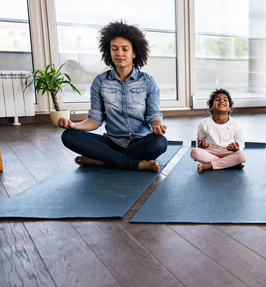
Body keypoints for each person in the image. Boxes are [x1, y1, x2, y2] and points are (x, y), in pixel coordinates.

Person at [58, 20, 168, 172]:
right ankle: (132, 163)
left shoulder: (148, 81)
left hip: (141, 141)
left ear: (134, 52)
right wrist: (74, 125)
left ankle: (102, 161)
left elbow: (153, 114)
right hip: (112, 141)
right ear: (109, 51)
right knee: (69, 136)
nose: (119, 53)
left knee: (160, 143)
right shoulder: (100, 81)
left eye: (125, 49)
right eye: (114, 49)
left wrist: (157, 125)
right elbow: (95, 120)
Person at [191, 89, 247, 173]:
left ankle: (210, 165)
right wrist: (201, 145)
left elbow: (241, 143)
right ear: (211, 107)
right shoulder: (203, 124)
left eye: (225, 100)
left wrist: (237, 148)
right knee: (194, 152)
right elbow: (199, 141)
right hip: (210, 153)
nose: (221, 101)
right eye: (217, 99)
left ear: (230, 108)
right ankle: (230, 164)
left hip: (229, 154)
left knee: (242, 156)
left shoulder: (236, 125)